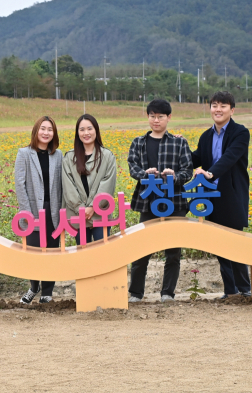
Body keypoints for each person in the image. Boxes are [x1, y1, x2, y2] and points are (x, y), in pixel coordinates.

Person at [127, 99, 193, 304]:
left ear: (169, 118)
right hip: (148, 201)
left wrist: (175, 176)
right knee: (141, 248)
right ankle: (136, 293)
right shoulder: (138, 142)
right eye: (152, 116)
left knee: (173, 250)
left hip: (175, 201)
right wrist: (143, 174)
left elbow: (188, 170)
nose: (156, 120)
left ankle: (168, 293)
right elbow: (132, 166)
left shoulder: (179, 142)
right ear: (147, 117)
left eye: (160, 117)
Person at [191, 91, 251, 299]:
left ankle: (245, 289)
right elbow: (195, 158)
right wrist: (177, 146)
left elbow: (230, 157)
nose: (218, 109)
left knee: (235, 243)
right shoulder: (206, 136)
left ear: (232, 110)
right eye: (214, 105)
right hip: (210, 196)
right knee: (219, 244)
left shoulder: (240, 133)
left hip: (231, 194)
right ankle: (230, 291)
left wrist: (210, 173)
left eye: (223, 106)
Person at [14, 116, 63, 304]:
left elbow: (61, 184)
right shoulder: (24, 154)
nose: (46, 133)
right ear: (36, 131)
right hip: (32, 210)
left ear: (54, 133)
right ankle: (34, 287)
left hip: (53, 211)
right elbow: (20, 184)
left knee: (51, 251)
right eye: (43, 128)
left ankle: (47, 292)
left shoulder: (58, 155)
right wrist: (27, 213)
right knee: (33, 251)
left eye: (50, 130)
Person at [61, 114, 117, 245]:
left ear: (96, 131)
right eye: (82, 130)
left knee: (102, 254)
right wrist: (81, 209)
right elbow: (68, 187)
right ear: (77, 133)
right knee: (83, 255)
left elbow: (108, 185)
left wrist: (93, 206)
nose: (86, 133)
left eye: (89, 128)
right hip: (78, 215)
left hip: (101, 214)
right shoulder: (69, 158)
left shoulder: (107, 156)